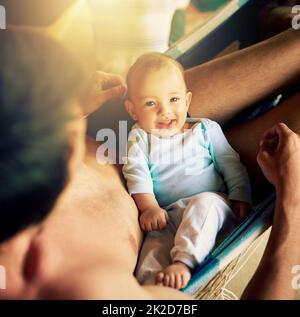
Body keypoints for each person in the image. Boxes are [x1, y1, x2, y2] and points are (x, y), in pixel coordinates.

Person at [0, 27, 300, 299]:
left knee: (161, 89)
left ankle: (278, 26)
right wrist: (293, 201)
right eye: (64, 120)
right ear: (67, 149)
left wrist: (71, 108)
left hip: (117, 137)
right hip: (170, 209)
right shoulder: (91, 292)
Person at [122, 53, 252, 289]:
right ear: (133, 110)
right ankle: (149, 291)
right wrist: (149, 208)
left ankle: (184, 262)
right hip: (167, 215)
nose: (165, 111)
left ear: (187, 100)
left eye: (174, 99)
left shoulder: (205, 129)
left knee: (204, 205)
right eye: (151, 103)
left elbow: (230, 163)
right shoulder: (140, 137)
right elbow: (136, 173)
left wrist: (240, 196)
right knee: (152, 254)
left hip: (215, 206)